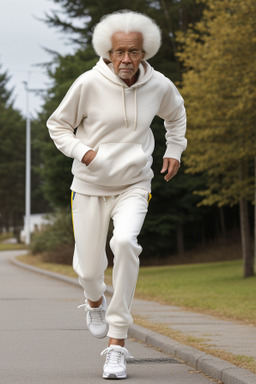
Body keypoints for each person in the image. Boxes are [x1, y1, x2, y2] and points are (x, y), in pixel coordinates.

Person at [47, 10, 187, 380]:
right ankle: (94, 300)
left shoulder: (159, 85)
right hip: (90, 186)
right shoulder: (87, 84)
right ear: (108, 53)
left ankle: (117, 345)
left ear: (145, 53)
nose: (127, 60)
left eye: (134, 52)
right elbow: (58, 125)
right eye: (120, 52)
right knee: (90, 270)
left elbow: (176, 115)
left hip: (134, 184)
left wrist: (174, 149)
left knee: (125, 243)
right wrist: (84, 152)